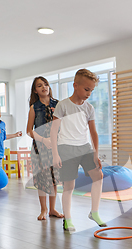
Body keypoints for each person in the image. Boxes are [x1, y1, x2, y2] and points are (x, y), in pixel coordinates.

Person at [51, 69, 106, 232]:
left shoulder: (89, 108)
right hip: (66, 148)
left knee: (98, 176)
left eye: (92, 90)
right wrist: (55, 154)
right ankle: (67, 219)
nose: (89, 93)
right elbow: (54, 130)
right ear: (75, 86)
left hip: (85, 148)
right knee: (69, 186)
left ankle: (94, 212)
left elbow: (93, 133)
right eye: (86, 89)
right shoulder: (63, 105)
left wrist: (96, 154)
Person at [26, 76, 64, 220]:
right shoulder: (34, 107)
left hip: (56, 146)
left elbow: (63, 125)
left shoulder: (58, 104)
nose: (44, 87)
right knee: (42, 179)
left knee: (54, 179)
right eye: (40, 85)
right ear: (35, 90)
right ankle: (43, 209)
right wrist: (43, 140)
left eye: (46, 84)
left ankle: (52, 209)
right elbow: (29, 130)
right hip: (39, 147)